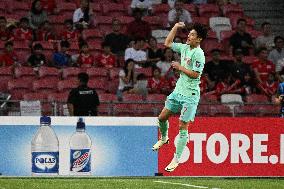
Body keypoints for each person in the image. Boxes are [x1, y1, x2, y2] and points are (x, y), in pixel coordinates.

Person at [152, 22, 208, 172]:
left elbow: (196, 74)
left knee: (183, 127)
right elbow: (167, 42)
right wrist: (176, 27)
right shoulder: (184, 47)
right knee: (162, 117)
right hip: (178, 92)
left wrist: (180, 67)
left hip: (190, 95)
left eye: (192, 35)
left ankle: (176, 160)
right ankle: (164, 138)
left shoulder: (199, 54)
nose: (189, 36)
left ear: (199, 39)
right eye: (189, 34)